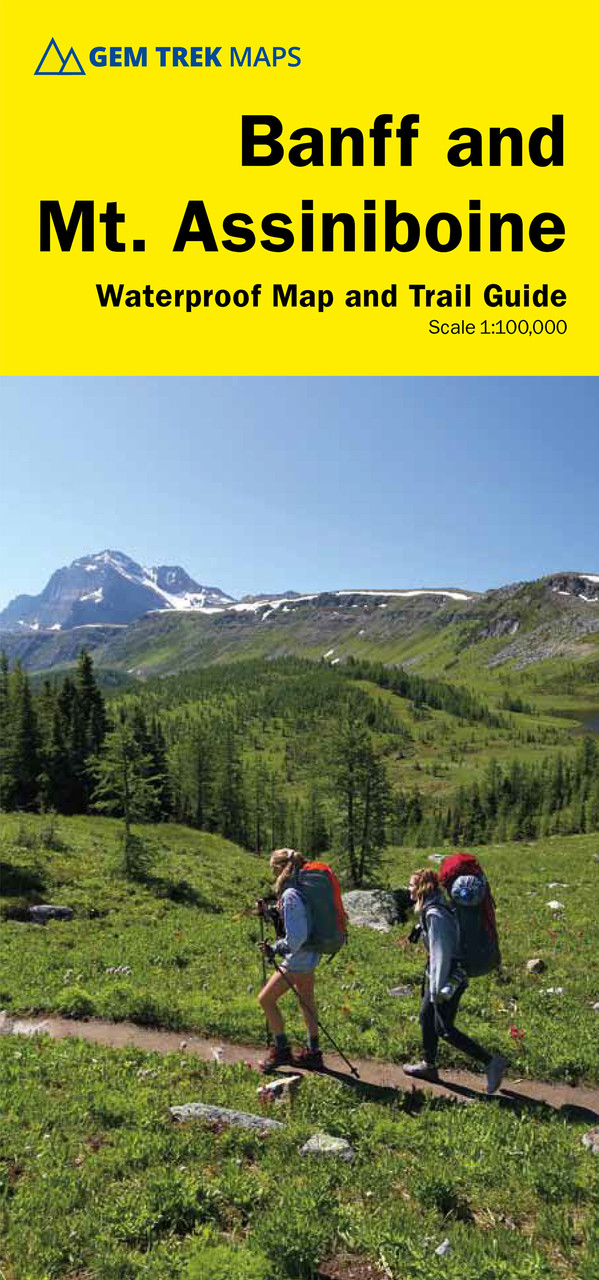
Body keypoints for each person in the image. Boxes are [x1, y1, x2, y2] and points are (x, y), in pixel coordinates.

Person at [402, 868, 508, 1094]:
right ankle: (429, 1066)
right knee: (426, 1018)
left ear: (421, 888)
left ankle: (491, 1062)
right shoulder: (434, 907)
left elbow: (441, 953)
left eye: (411, 885)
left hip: (448, 977)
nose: (408, 889)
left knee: (444, 1029)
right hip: (441, 974)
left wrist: (436, 989)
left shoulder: (435, 914)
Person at [256, 848, 323, 1074]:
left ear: (281, 868)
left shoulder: (290, 895)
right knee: (306, 1000)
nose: (273, 874)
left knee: (266, 999)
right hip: (311, 953)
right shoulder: (302, 889)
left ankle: (281, 1050)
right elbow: (297, 921)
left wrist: (274, 948)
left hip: (299, 958)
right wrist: (269, 913)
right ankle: (313, 1053)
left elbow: (296, 937)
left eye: (273, 869)